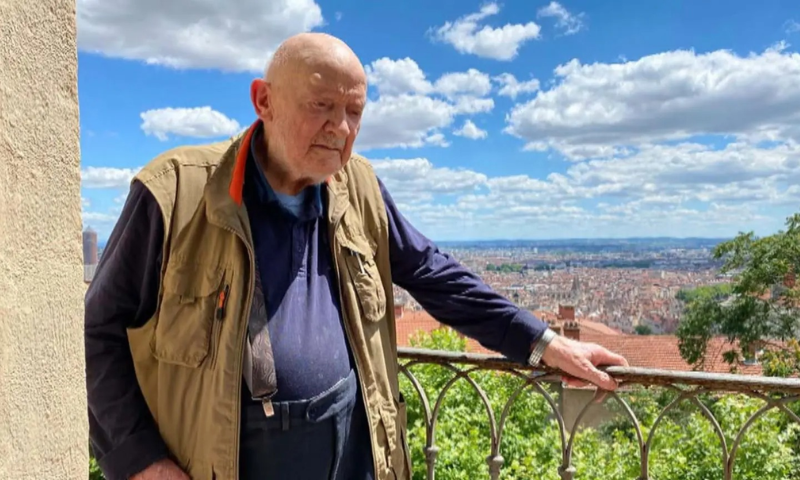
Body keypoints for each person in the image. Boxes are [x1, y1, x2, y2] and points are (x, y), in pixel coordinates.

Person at [84, 32, 628, 480]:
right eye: (321, 106)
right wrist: (141, 462)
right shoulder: (178, 192)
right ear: (264, 101)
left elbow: (431, 272)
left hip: (353, 454)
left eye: (354, 111)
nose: (341, 128)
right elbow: (95, 331)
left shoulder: (358, 186)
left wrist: (543, 343)